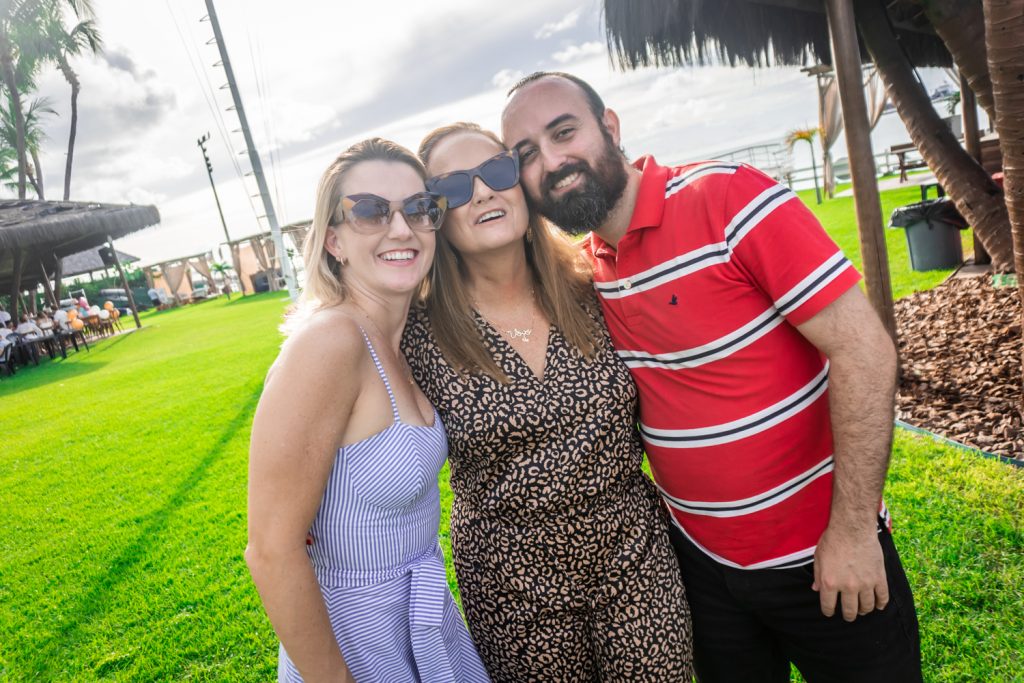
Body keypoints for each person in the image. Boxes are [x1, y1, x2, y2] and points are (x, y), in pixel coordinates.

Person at [501, 72, 922, 683]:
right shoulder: (587, 269)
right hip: (702, 570)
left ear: (610, 128)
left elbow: (866, 353)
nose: (552, 161)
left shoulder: (730, 199)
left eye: (563, 132)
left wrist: (854, 533)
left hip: (822, 556)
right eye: (527, 155)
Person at [403, 122, 692, 682]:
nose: (483, 192)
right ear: (434, 212)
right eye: (457, 187)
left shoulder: (595, 284)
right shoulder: (416, 331)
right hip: (510, 585)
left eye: (496, 171)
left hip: (633, 556)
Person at [246, 138, 489, 683]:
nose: (400, 229)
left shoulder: (396, 341)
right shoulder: (330, 342)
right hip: (356, 644)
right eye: (371, 211)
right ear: (333, 239)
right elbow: (270, 550)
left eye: (419, 208)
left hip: (421, 623)